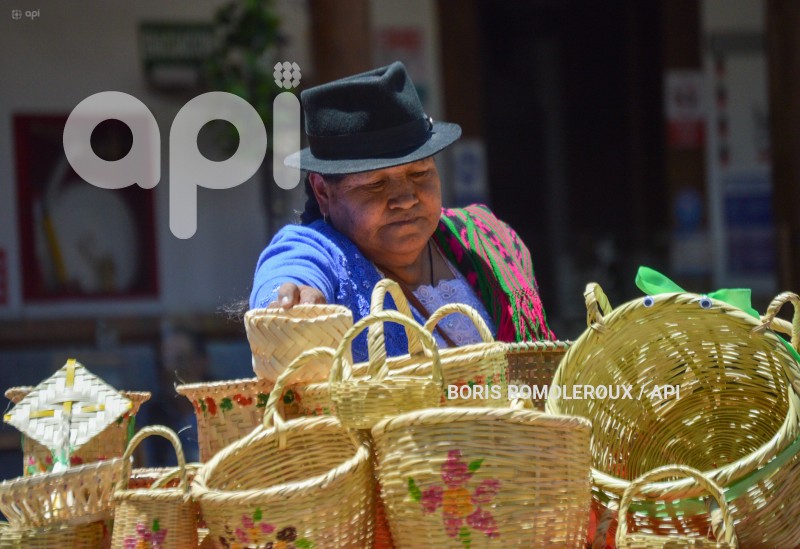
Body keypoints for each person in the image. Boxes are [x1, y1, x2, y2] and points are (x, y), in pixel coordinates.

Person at [250, 61, 554, 362]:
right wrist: (290, 303)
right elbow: (289, 272)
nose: (405, 199)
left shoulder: (485, 237)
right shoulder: (319, 250)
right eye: (376, 184)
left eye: (419, 173)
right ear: (323, 191)